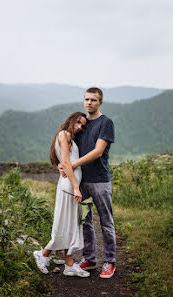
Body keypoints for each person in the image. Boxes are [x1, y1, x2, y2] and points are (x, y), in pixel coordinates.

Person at [59, 87, 116, 279]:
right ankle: (89, 258)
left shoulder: (105, 123)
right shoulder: (81, 124)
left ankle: (109, 261)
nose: (89, 102)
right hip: (82, 180)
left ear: (100, 102)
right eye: (86, 99)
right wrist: (62, 164)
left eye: (93, 100)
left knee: (106, 222)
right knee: (85, 222)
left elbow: (98, 151)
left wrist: (72, 164)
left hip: (100, 180)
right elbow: (68, 147)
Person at [33, 112, 90, 277]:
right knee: (63, 224)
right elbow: (66, 162)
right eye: (78, 122)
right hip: (69, 187)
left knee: (69, 225)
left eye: (82, 125)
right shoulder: (64, 134)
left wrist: (64, 167)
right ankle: (43, 254)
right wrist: (76, 187)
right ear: (71, 120)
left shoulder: (68, 137)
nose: (79, 127)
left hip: (69, 185)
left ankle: (69, 264)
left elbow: (64, 162)